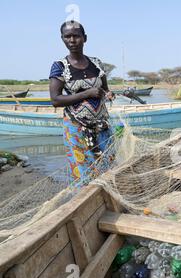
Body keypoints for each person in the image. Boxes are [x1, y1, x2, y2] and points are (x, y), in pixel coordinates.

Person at [49, 21, 115, 187]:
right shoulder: (60, 67)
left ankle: (107, 199)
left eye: (76, 36)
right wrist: (86, 93)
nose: (72, 40)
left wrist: (109, 94)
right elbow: (55, 100)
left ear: (84, 38)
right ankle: (85, 203)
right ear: (62, 39)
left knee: (107, 163)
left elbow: (105, 90)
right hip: (77, 128)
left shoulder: (97, 63)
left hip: (102, 125)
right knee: (84, 169)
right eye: (67, 36)